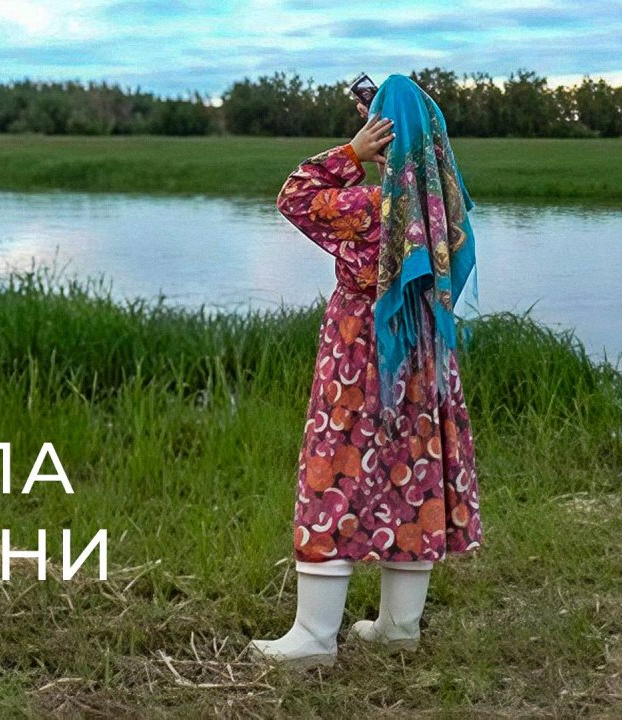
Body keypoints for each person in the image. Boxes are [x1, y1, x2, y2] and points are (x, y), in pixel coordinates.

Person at [249, 74, 483, 667]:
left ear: (383, 136)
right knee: (414, 473)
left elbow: (295, 195)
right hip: (425, 355)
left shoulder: (369, 210)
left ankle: (313, 637)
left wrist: (351, 153)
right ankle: (399, 627)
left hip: (361, 355)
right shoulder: (444, 210)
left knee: (334, 470)